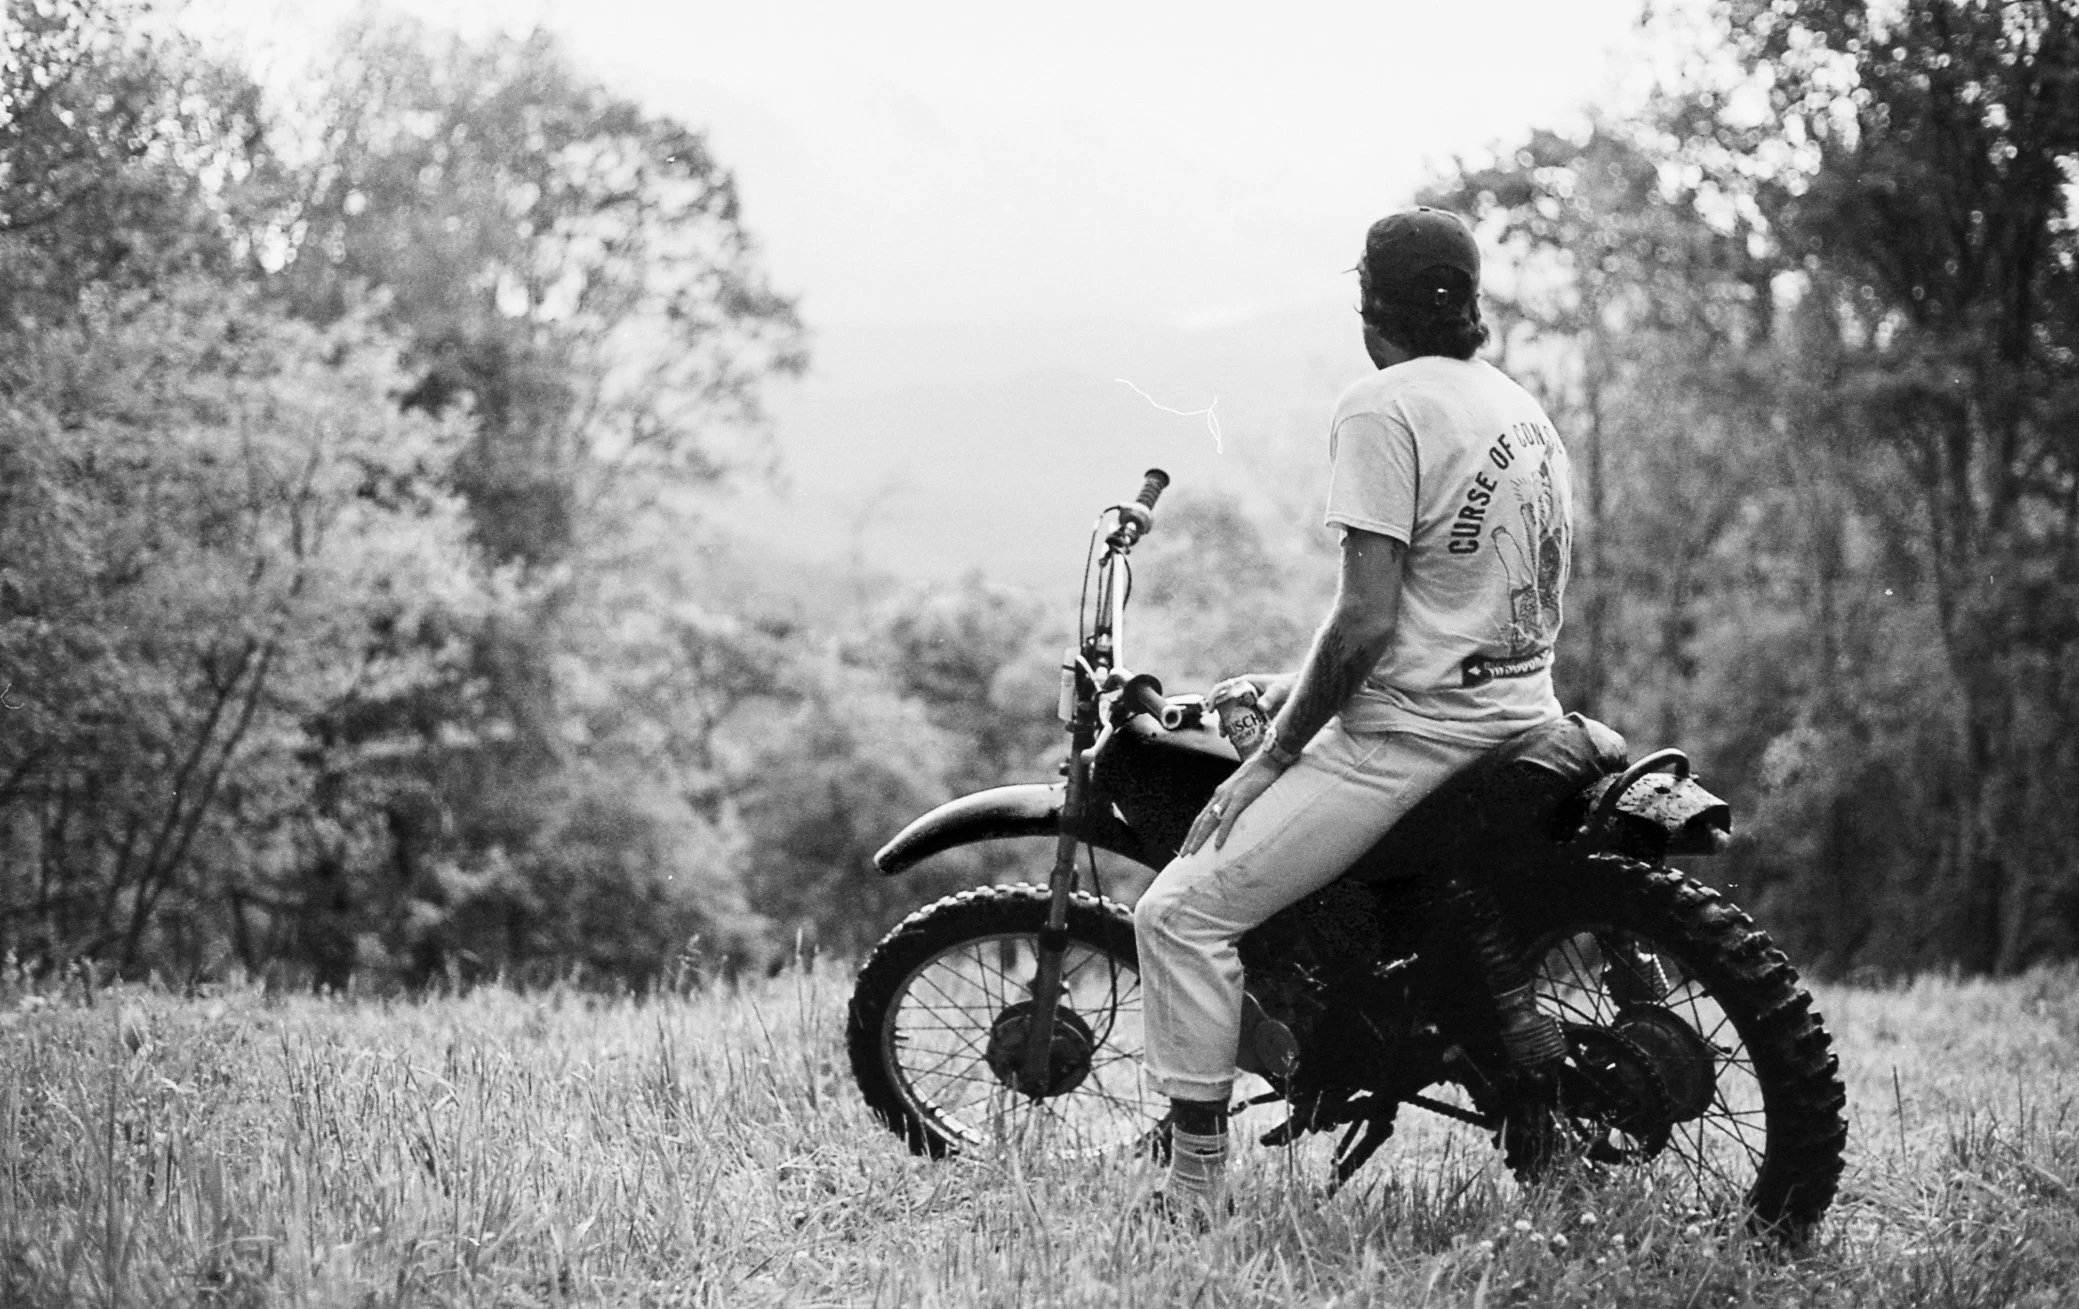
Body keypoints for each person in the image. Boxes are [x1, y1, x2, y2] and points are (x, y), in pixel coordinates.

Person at [1132, 206, 1574, 1218]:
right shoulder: (1516, 405)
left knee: (1180, 911)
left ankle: (1193, 1186)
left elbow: (1367, 615)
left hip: (1413, 739)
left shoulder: (1381, 408)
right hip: (1523, 710)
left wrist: (1275, 751)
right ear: (1468, 304)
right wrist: (1300, 687)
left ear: (1370, 306)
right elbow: (1457, 600)